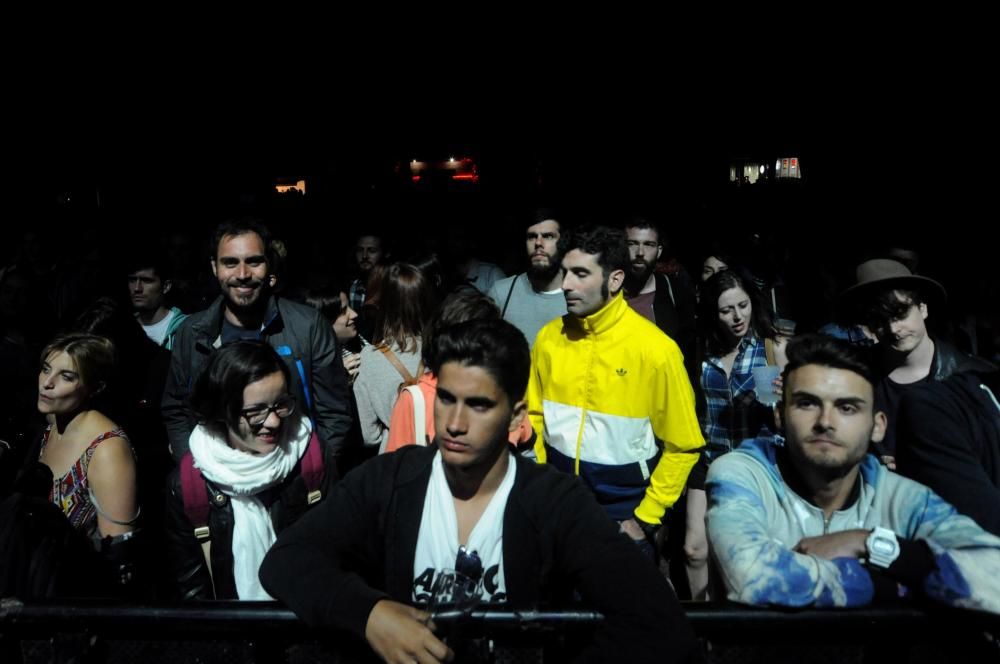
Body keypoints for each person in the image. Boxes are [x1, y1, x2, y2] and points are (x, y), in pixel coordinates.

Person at [260, 319, 699, 663]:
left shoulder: (554, 501)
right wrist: (368, 613)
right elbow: (287, 560)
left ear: (515, 416)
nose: (453, 422)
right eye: (446, 398)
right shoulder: (389, 481)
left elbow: (658, 622)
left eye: (479, 405)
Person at [706, 334, 1000, 613]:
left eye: (847, 408)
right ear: (780, 415)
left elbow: (994, 577)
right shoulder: (744, 476)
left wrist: (873, 544)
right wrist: (898, 580)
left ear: (878, 426)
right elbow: (753, 578)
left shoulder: (904, 498)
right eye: (807, 403)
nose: (825, 422)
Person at [528, 226, 703, 554]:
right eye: (564, 273)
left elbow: (684, 445)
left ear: (615, 279)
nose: (566, 285)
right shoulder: (548, 340)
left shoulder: (655, 350)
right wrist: (540, 489)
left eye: (581, 274)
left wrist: (646, 519)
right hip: (557, 507)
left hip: (624, 513)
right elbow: (533, 420)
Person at [162, 217, 351, 469]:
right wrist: (193, 469)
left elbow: (335, 414)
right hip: (215, 481)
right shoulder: (191, 332)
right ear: (214, 267)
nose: (242, 274)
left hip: (292, 476)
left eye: (254, 261)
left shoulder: (307, 327)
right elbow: (176, 408)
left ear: (269, 265)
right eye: (230, 263)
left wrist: (311, 473)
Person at [165, 340, 322, 600]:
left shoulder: (312, 458)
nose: (273, 422)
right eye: (256, 411)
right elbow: (192, 591)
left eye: (281, 404)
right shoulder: (187, 487)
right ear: (221, 411)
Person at [685, 269, 778, 599]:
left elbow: (776, 412)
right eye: (727, 310)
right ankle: (701, 631)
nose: (738, 316)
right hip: (709, 457)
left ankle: (741, 632)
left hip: (753, 466)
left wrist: (786, 392)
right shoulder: (700, 349)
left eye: (743, 305)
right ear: (714, 312)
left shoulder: (769, 348)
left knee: (743, 554)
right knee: (695, 551)